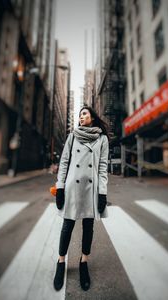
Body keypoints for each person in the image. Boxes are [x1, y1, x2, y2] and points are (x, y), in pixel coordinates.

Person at [53, 106, 109, 291]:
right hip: (72, 188)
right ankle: (61, 262)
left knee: (88, 226)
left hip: (91, 189)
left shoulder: (102, 140)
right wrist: (60, 187)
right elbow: (64, 163)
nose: (81, 116)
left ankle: (83, 262)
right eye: (79, 114)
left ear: (92, 118)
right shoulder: (72, 136)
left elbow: (102, 167)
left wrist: (102, 192)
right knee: (67, 226)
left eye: (84, 113)